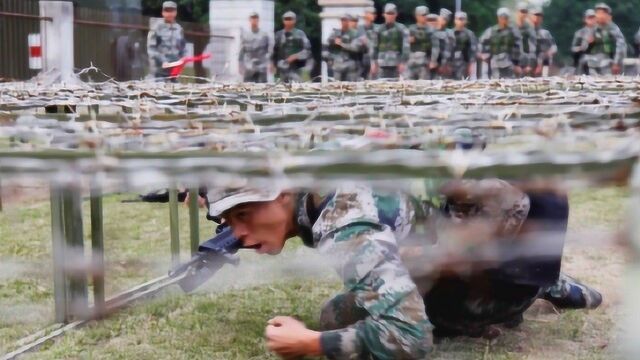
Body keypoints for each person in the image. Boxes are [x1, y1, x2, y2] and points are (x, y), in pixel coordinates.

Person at [205, 178, 602, 358]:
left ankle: (502, 306)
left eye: (245, 213)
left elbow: (411, 339)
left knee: (333, 317)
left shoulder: (344, 228)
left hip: (482, 279)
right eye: (228, 221)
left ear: (285, 192)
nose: (238, 232)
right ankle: (546, 286)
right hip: (479, 248)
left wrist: (310, 343)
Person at [583, 3, 627, 75]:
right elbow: (585, 47)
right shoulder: (594, 28)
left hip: (610, 62)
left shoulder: (612, 28)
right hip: (595, 62)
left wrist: (616, 63)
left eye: (602, 13)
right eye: (597, 13)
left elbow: (621, 45)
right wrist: (589, 43)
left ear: (608, 15)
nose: (599, 15)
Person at [479, 8, 523, 79]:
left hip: (510, 63)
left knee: (509, 83)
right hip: (495, 63)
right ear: (498, 17)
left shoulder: (514, 32)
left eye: (506, 17)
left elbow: (519, 47)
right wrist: (483, 55)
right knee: (495, 84)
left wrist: (517, 64)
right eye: (501, 17)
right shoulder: (491, 31)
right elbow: (481, 42)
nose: (504, 19)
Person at [147, 1, 186, 80]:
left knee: (175, 90)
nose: (169, 13)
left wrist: (182, 60)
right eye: (167, 11)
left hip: (174, 70)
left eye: (172, 11)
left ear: (176, 12)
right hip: (159, 70)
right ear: (163, 12)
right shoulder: (157, 28)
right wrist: (162, 60)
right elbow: (151, 48)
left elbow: (183, 47)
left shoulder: (179, 29)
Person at [372, 3, 410, 80]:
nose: (390, 16)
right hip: (382, 63)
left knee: (398, 86)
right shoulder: (378, 30)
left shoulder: (402, 29)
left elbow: (406, 47)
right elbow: (374, 47)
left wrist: (403, 62)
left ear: (396, 14)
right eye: (388, 13)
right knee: (381, 86)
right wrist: (373, 63)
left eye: (392, 13)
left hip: (397, 62)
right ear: (383, 14)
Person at [273, 11, 312, 83]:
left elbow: (307, 50)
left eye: (290, 19)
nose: (288, 21)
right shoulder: (279, 35)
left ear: (294, 20)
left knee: (297, 88)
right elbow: (274, 51)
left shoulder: (300, 34)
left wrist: (296, 56)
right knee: (280, 89)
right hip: (282, 67)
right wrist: (273, 64)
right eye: (286, 19)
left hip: (297, 68)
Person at [324, 14, 362, 81]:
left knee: (351, 87)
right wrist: (333, 41)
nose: (343, 22)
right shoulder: (335, 32)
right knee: (337, 87)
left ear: (349, 21)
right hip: (338, 65)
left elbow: (355, 48)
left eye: (345, 20)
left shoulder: (355, 34)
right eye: (342, 20)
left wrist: (342, 44)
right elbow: (328, 44)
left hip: (351, 65)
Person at [239, 12, 273, 83]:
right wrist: (240, 65)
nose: (254, 21)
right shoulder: (245, 35)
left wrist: (271, 63)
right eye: (252, 19)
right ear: (249, 20)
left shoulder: (264, 35)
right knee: (247, 89)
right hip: (249, 67)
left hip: (261, 67)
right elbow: (241, 52)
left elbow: (269, 51)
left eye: (255, 19)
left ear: (258, 20)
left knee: (262, 89)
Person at [407, 6, 439, 80]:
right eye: (422, 15)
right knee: (409, 85)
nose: (424, 17)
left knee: (423, 85)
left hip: (424, 63)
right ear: (416, 16)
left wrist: (433, 60)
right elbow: (405, 46)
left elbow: (435, 46)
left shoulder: (431, 30)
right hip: (411, 62)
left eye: (426, 15)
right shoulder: (411, 29)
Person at [451, 12, 477, 80]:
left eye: (462, 19)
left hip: (464, 64)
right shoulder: (450, 33)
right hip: (451, 63)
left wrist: (471, 65)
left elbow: (473, 50)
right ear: (455, 20)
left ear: (465, 21)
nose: (460, 21)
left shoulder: (469, 34)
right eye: (459, 19)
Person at [531, 8, 557, 77]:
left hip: (542, 63)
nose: (537, 18)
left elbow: (554, 47)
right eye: (535, 15)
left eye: (539, 16)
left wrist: (548, 53)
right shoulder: (526, 33)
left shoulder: (545, 33)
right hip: (528, 63)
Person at [356, 7, 379, 80]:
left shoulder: (377, 28)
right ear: (365, 15)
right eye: (371, 13)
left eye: (374, 13)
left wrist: (374, 62)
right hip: (360, 60)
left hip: (374, 60)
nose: (373, 15)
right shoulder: (359, 29)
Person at [515, 2, 537, 77]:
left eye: (526, 12)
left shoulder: (529, 28)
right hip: (510, 64)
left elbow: (533, 47)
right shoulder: (511, 26)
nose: (524, 14)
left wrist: (530, 64)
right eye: (522, 11)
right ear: (517, 12)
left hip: (525, 62)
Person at [571, 9, 597, 75]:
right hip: (584, 57)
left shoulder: (600, 31)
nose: (591, 20)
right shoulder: (580, 33)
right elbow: (573, 48)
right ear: (585, 19)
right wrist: (581, 47)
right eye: (589, 18)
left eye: (593, 18)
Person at [434, 9, 455, 79]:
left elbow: (448, 51)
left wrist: (443, 65)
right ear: (439, 18)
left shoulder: (449, 33)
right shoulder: (431, 31)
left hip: (443, 65)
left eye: (446, 19)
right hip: (430, 64)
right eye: (442, 18)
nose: (443, 21)